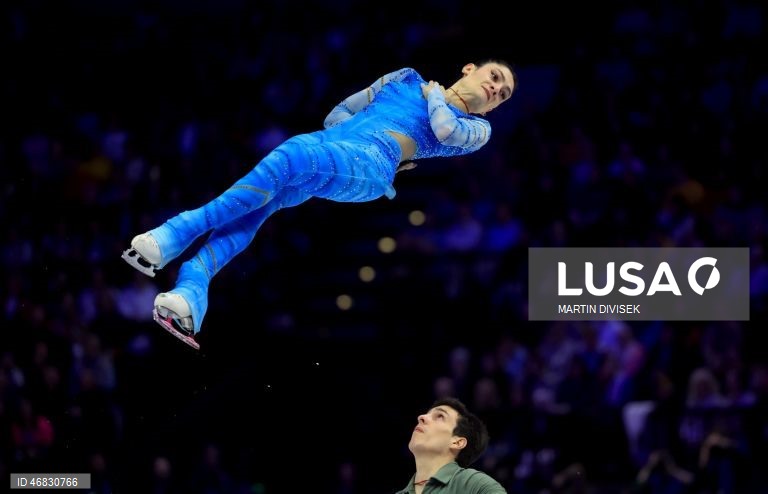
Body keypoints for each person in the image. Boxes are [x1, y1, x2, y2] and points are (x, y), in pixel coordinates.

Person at [121, 60, 517, 349]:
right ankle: (192, 289)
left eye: (502, 95)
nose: (495, 89)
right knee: (265, 201)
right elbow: (338, 113)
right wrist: (342, 136)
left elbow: (445, 128)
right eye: (494, 78)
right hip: (334, 145)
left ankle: (175, 232)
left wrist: (434, 96)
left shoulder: (478, 130)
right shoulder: (404, 78)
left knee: (290, 154)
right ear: (470, 69)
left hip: (371, 165)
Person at [395, 397, 506, 494]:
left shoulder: (476, 485)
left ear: (457, 442)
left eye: (440, 416)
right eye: (427, 413)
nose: (421, 417)